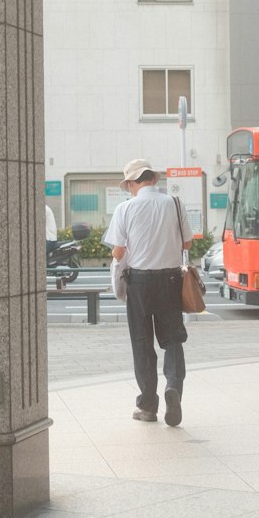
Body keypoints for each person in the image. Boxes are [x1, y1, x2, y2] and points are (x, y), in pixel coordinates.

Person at [103, 159, 194, 425]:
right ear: (153, 179)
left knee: (143, 344)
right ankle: (173, 387)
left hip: (139, 283)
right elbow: (187, 241)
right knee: (173, 339)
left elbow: (118, 251)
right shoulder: (174, 204)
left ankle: (147, 406)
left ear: (132, 183)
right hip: (170, 280)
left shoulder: (125, 208)